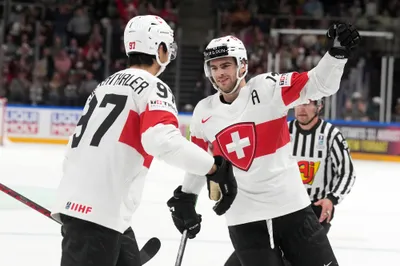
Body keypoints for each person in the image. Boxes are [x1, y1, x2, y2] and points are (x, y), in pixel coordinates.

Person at [168, 23, 360, 266]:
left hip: (293, 209)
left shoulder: (269, 88)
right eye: (214, 67)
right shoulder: (203, 111)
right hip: (244, 220)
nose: (219, 73)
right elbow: (198, 161)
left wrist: (336, 55)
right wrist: (186, 197)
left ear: (243, 66)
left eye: (226, 65)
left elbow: (320, 84)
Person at [50, 15, 236, 266]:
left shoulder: (103, 85)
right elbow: (162, 141)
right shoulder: (152, 87)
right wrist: (213, 167)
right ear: (159, 49)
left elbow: (75, 148)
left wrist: (73, 204)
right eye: (167, 46)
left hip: (94, 211)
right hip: (99, 214)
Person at [225, 99, 357, 266]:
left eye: (309, 103)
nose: (302, 108)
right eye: (299, 103)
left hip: (314, 211)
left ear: (319, 106)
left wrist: (332, 199)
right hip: (278, 208)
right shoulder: (283, 130)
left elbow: (347, 172)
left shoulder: (331, 135)